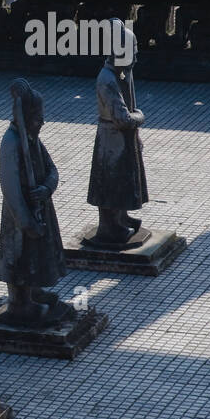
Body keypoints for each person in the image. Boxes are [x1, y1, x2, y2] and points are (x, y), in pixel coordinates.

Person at [0, 79, 70, 327]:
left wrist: (46, 188)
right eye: (38, 117)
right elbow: (11, 189)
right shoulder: (11, 142)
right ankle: (20, 301)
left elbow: (52, 169)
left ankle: (35, 291)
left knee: (36, 254)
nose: (42, 122)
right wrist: (26, 221)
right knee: (19, 256)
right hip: (19, 217)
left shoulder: (33, 141)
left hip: (40, 206)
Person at [86, 18, 149, 247]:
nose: (135, 58)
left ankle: (121, 217)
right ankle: (110, 226)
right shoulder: (107, 79)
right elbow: (123, 118)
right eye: (132, 53)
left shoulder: (121, 75)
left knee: (122, 180)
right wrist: (140, 117)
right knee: (110, 183)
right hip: (112, 140)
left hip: (121, 139)